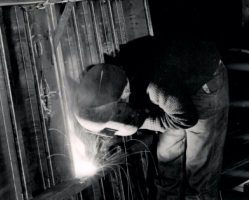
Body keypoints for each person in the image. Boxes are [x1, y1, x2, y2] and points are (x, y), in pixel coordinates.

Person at [74, 35, 229, 200]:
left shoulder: (156, 85)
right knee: (167, 161)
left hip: (204, 84)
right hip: (174, 86)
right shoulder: (116, 75)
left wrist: (142, 122)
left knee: (199, 173)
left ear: (122, 102)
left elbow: (186, 119)